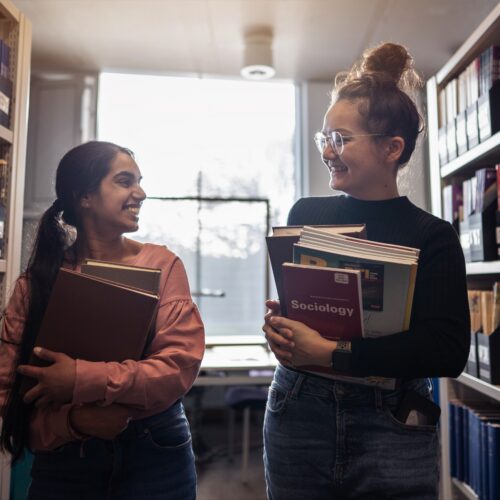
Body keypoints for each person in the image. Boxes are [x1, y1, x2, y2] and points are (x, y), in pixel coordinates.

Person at [262, 42, 470, 499]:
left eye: (339, 139)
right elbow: (299, 311)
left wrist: (334, 352)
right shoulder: (307, 213)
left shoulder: (433, 236)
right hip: (300, 407)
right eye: (323, 139)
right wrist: (279, 328)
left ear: (392, 148)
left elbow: (447, 350)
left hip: (391, 417)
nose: (327, 151)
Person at [0, 141, 205, 499]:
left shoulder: (163, 265)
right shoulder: (36, 283)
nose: (140, 193)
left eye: (139, 181)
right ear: (84, 197)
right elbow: (8, 396)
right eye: (125, 181)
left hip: (154, 453)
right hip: (64, 461)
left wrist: (81, 379)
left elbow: (178, 368)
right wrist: (73, 422)